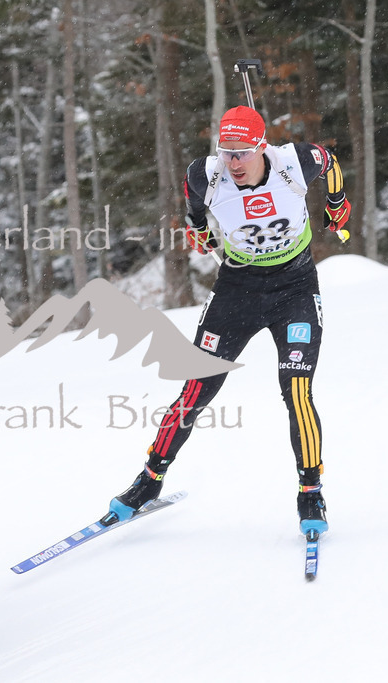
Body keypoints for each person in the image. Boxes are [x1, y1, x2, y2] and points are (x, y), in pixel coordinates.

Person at [103, 105, 351, 536]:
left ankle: (310, 491)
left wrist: (336, 202)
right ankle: (149, 480)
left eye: (242, 152)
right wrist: (198, 228)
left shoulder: (296, 162)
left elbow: (330, 164)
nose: (233, 162)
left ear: (262, 148)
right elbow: (192, 202)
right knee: (197, 387)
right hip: (238, 290)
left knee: (296, 390)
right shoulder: (206, 173)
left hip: (295, 289)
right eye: (226, 152)